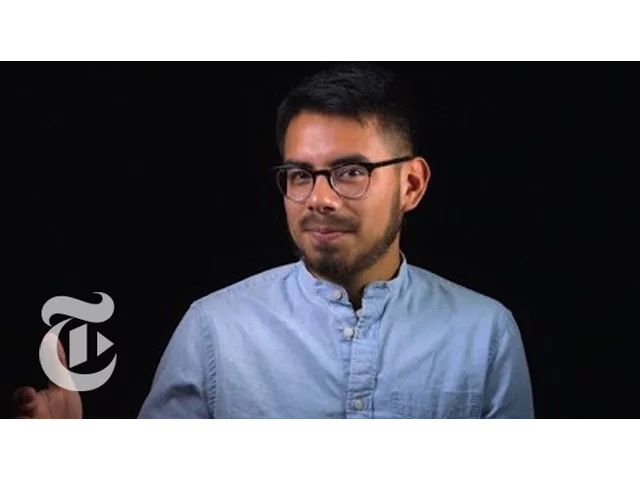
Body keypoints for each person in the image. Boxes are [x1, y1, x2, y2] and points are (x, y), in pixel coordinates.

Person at [13, 62, 534, 419]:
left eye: (350, 172)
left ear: (412, 185)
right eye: (300, 174)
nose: (319, 199)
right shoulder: (213, 330)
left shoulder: (484, 333)